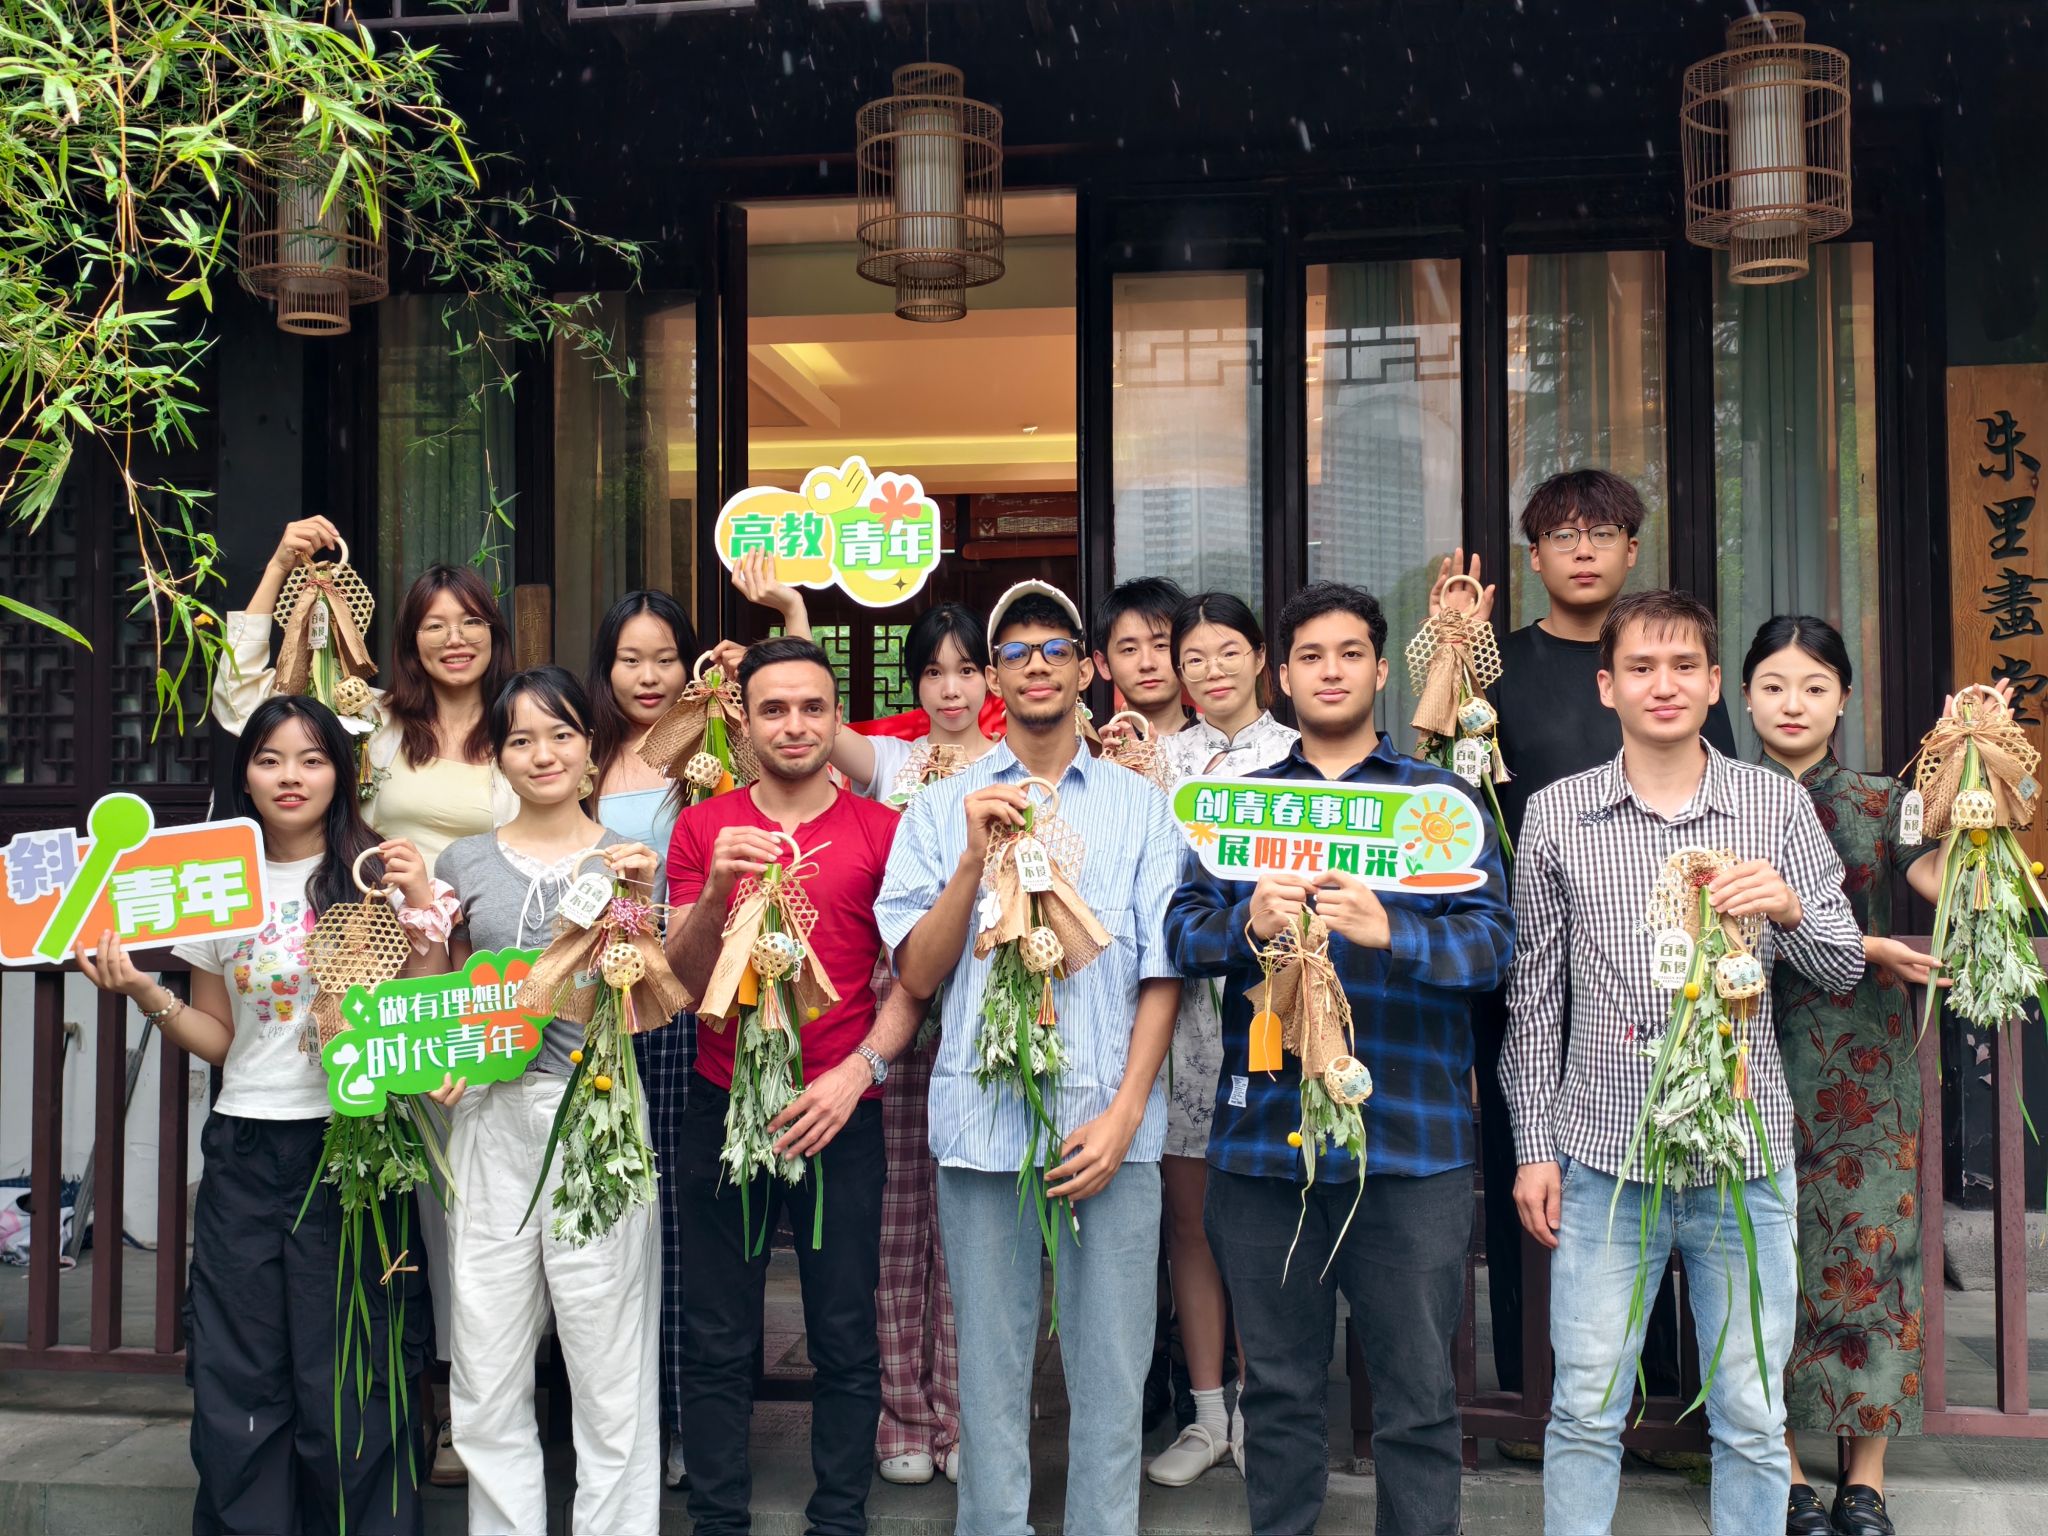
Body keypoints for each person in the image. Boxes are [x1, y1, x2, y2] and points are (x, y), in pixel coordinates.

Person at [1501, 590, 1866, 1536]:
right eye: (1640, 668)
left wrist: (1789, 906)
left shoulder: (1774, 805)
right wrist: (1534, 1146)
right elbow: (1533, 999)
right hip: (1603, 1157)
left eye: (1682, 667)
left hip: (1745, 1158)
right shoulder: (1559, 815)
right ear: (1607, 686)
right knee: (1586, 1404)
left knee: (1750, 1410)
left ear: (1712, 685)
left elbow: (1839, 966)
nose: (1661, 685)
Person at [1164, 582, 1514, 1534]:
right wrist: (1247, 922)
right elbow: (1181, 935)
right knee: (1277, 1391)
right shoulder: (1243, 808)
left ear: (1381, 670)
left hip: (1410, 1145)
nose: (1331, 671)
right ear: (1282, 676)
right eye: (1311, 656)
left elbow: (1493, 950)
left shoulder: (1438, 804)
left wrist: (1395, 930)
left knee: (1418, 1398)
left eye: (1350, 653)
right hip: (1263, 1145)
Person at [78, 695, 451, 1536]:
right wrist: (143, 993)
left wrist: (423, 906)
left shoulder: (378, 873)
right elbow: (220, 1036)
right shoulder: (216, 882)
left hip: (353, 1147)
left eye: (312, 759)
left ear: (341, 774)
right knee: (240, 1365)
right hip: (246, 1145)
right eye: (270, 758)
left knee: (352, 1364)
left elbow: (420, 1021)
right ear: (243, 774)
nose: (291, 777)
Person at [874, 580, 1183, 1536]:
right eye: (1015, 652)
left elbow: (1163, 972)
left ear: (1087, 671)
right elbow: (916, 973)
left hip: (1108, 1127)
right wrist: (972, 858)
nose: (1036, 665)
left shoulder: (1143, 807)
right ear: (994, 678)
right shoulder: (938, 809)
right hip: (982, 1128)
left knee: (1112, 1373)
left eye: (1055, 650)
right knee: (990, 1373)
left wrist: (1129, 1113)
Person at [214, 517, 518, 1484]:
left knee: (476, 1211)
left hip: (482, 989)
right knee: (406, 1211)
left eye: (470, 622)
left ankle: (480, 1406)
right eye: (434, 624)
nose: (454, 639)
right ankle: (414, 1402)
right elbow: (251, 710)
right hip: (379, 994)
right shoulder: (375, 726)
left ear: (495, 634)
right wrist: (276, 570)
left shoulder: (523, 728)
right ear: (407, 640)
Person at [1438, 468, 1737, 1416]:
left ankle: (1666, 1394)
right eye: (1561, 535)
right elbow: (1443, 791)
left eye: (1601, 533)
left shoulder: (1666, 666)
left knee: (1665, 1156)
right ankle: (1536, 1390)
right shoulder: (1499, 668)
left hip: (1660, 961)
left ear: (1631, 550)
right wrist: (1451, 651)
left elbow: (1722, 799)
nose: (1582, 549)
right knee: (1524, 1158)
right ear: (1533, 558)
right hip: (1527, 955)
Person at [664, 636, 921, 1536]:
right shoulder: (705, 827)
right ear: (743, 719)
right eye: (773, 708)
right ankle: (717, 1520)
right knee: (716, 1333)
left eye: (813, 707)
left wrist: (860, 1073)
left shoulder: (882, 830)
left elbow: (913, 981)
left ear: (837, 715)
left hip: (839, 1111)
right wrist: (713, 894)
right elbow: (682, 980)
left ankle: (839, 1518)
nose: (795, 725)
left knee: (845, 1330)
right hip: (721, 1100)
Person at [421, 667, 665, 1536]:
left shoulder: (630, 859)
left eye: (561, 734)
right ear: (497, 755)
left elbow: (648, 1005)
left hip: (596, 1113)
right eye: (520, 739)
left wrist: (639, 906)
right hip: (490, 1120)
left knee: (608, 1362)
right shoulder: (463, 862)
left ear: (591, 748)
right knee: (486, 1359)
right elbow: (448, 990)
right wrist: (446, 1052)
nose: (543, 753)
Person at [1742, 617, 1944, 1536]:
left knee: (1871, 1253)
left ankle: (1866, 1479)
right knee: (1759, 1258)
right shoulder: (1718, 795)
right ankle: (1783, 1469)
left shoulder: (1881, 798)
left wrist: (1973, 785)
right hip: (1742, 1047)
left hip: (1863, 1058)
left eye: (1815, 686)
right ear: (1745, 695)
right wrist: (1866, 943)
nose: (1794, 703)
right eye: (1774, 685)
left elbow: (1937, 876)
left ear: (1844, 700)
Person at [1143, 591, 1298, 1488]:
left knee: (1268, 1223)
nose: (1211, 671)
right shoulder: (1154, 761)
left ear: (1262, 657)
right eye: (1193, 657)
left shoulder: (1299, 756)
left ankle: (1265, 1414)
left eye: (1228, 651)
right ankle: (1206, 1414)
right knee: (1191, 1221)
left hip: (1281, 1006)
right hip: (1182, 1011)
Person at [584, 587, 703, 1494]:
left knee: (675, 1221)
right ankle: (609, 1423)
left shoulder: (708, 754)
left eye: (666, 658)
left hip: (680, 1007)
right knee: (605, 1216)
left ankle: (681, 1422)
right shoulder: (578, 752)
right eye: (631, 659)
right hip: (589, 1010)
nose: (649, 675)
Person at [1093, 575, 1192, 739]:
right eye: (1129, 649)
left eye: (1160, 645)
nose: (1147, 663)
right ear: (1104, 664)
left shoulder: (1223, 742)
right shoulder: (1097, 749)